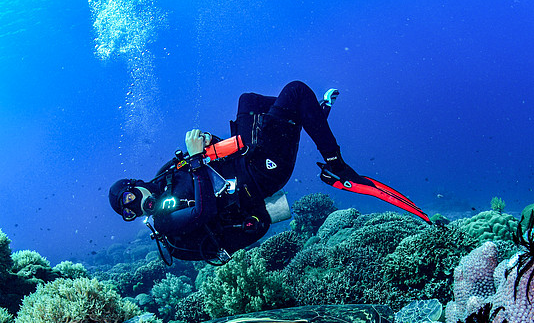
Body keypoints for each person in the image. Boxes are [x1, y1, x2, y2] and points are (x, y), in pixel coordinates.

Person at [109, 80, 429, 264]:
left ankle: (309, 116)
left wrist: (209, 143)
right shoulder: (164, 222)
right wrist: (195, 160)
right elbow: (205, 211)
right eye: (128, 212)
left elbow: (211, 167)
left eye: (129, 197)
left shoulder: (166, 175)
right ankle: (338, 167)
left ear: (135, 184)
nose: (134, 206)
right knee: (296, 91)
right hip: (258, 180)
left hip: (245, 163)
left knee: (248, 100)